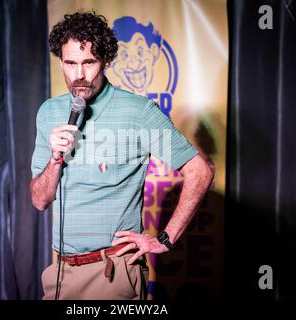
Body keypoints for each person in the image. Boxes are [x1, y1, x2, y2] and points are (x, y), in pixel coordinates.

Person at [30, 11, 213, 300]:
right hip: (59, 273)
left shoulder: (139, 112)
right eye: (70, 63)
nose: (79, 75)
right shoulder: (49, 112)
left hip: (112, 273)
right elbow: (39, 200)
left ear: (106, 61)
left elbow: (199, 170)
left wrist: (165, 239)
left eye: (89, 62)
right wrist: (55, 160)